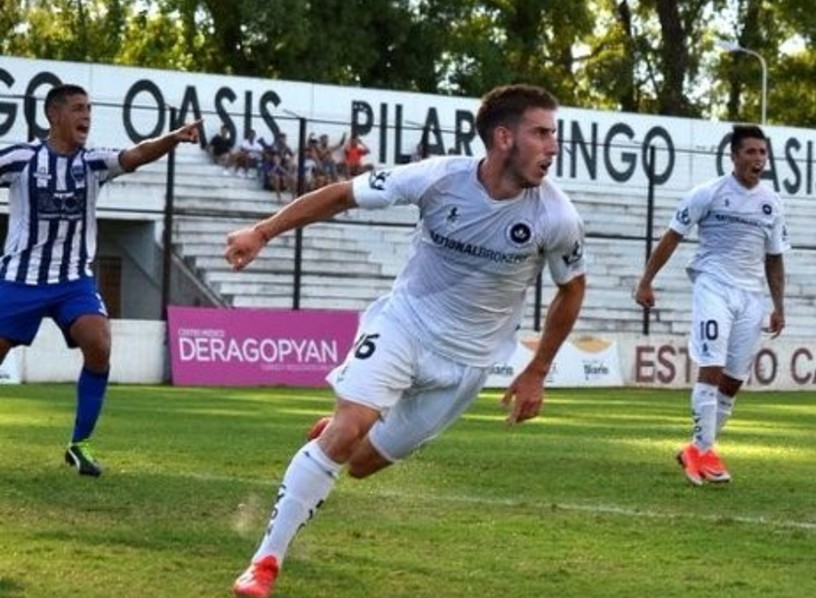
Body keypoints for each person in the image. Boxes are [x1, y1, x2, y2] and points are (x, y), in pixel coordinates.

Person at [227, 84, 587, 597]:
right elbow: (342, 194)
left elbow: (572, 289)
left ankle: (344, 427)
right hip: (403, 327)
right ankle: (264, 562)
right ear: (504, 137)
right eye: (542, 133)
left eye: (554, 134)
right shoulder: (438, 178)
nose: (553, 147)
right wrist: (263, 232)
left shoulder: (557, 217)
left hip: (466, 365)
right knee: (345, 436)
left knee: (360, 464)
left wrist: (537, 370)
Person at [0, 83, 201, 476]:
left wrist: (173, 138)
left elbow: (136, 154)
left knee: (99, 342)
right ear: (54, 114)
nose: (86, 116)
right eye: (78, 108)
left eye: (89, 109)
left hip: (73, 280)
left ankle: (80, 444)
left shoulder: (93, 162)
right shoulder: (22, 158)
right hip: (19, 279)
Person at [635, 124, 787, 486]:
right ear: (734, 156)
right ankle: (703, 451)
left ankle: (697, 449)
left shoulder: (772, 203)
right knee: (712, 366)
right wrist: (646, 281)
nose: (758, 159)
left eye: (762, 152)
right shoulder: (708, 193)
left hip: (751, 297)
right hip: (713, 286)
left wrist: (779, 306)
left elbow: (775, 259)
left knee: (733, 381)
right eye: (750, 152)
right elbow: (672, 237)